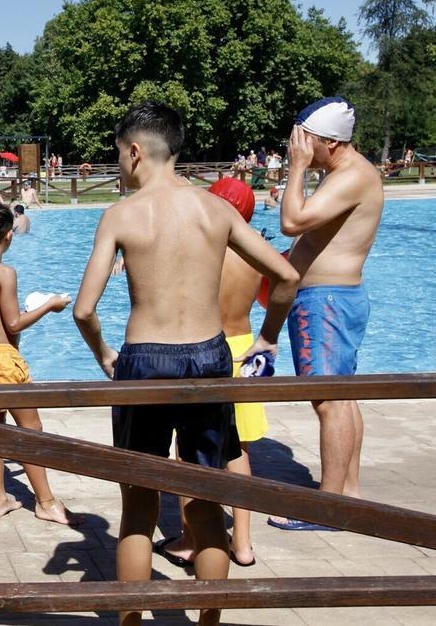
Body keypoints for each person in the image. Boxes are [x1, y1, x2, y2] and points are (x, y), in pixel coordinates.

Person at [72, 101, 297, 626]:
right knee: (205, 499)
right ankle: (210, 623)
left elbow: (84, 309)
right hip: (209, 356)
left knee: (138, 505)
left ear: (134, 153)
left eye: (118, 156)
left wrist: (105, 354)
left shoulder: (120, 215)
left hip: (144, 360)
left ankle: (130, 622)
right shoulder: (215, 210)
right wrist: (265, 340)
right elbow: (285, 278)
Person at [243, 97, 384, 531]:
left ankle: (327, 508)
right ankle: (349, 494)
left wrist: (297, 168)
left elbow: (292, 221)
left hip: (326, 302)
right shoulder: (347, 174)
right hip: (335, 299)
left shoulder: (352, 175)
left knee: (328, 402)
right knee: (341, 397)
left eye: (304, 142)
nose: (295, 148)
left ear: (328, 141)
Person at [156, 177, 267, 569]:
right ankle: (244, 543)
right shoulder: (257, 251)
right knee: (239, 450)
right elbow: (277, 290)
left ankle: (191, 540)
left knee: (188, 451)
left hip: (210, 349)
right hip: (248, 346)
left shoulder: (206, 250)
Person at [0, 202, 81, 523]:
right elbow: (13, 323)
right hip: (2, 359)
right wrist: (50, 305)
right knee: (31, 427)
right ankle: (45, 502)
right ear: (8, 235)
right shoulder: (5, 273)